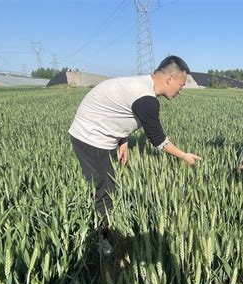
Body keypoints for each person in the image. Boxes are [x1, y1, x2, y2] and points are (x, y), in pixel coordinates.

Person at [69, 55, 201, 250]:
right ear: (169, 78)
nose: (181, 90)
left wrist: (123, 139)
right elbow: (158, 140)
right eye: (181, 84)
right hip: (90, 137)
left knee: (108, 183)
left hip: (97, 133)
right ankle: (104, 242)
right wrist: (184, 156)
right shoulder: (146, 99)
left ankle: (105, 231)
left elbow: (119, 108)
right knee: (105, 190)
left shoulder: (142, 85)